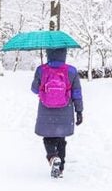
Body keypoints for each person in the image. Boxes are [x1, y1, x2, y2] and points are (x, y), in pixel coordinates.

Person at [31, 48, 83, 178]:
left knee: (48, 137)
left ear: (48, 53)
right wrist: (79, 111)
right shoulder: (71, 71)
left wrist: (40, 76)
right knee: (61, 138)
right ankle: (60, 168)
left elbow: (34, 89)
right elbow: (77, 93)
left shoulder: (41, 69)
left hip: (46, 109)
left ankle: (53, 157)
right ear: (64, 53)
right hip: (65, 109)